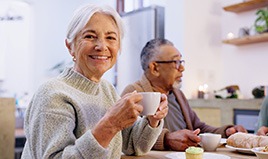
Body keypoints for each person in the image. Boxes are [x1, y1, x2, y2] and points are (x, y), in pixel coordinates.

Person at [21, 4, 168, 159]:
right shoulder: (52, 94)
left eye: (110, 38)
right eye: (90, 36)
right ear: (70, 46)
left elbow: (134, 145)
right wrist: (110, 124)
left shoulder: (107, 89)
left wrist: (152, 120)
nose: (102, 46)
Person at [121, 38, 247, 151]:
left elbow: (198, 128)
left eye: (181, 62)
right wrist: (167, 139)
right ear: (155, 68)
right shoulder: (134, 92)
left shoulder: (177, 94)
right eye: (176, 62)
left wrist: (227, 132)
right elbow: (128, 138)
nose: (182, 68)